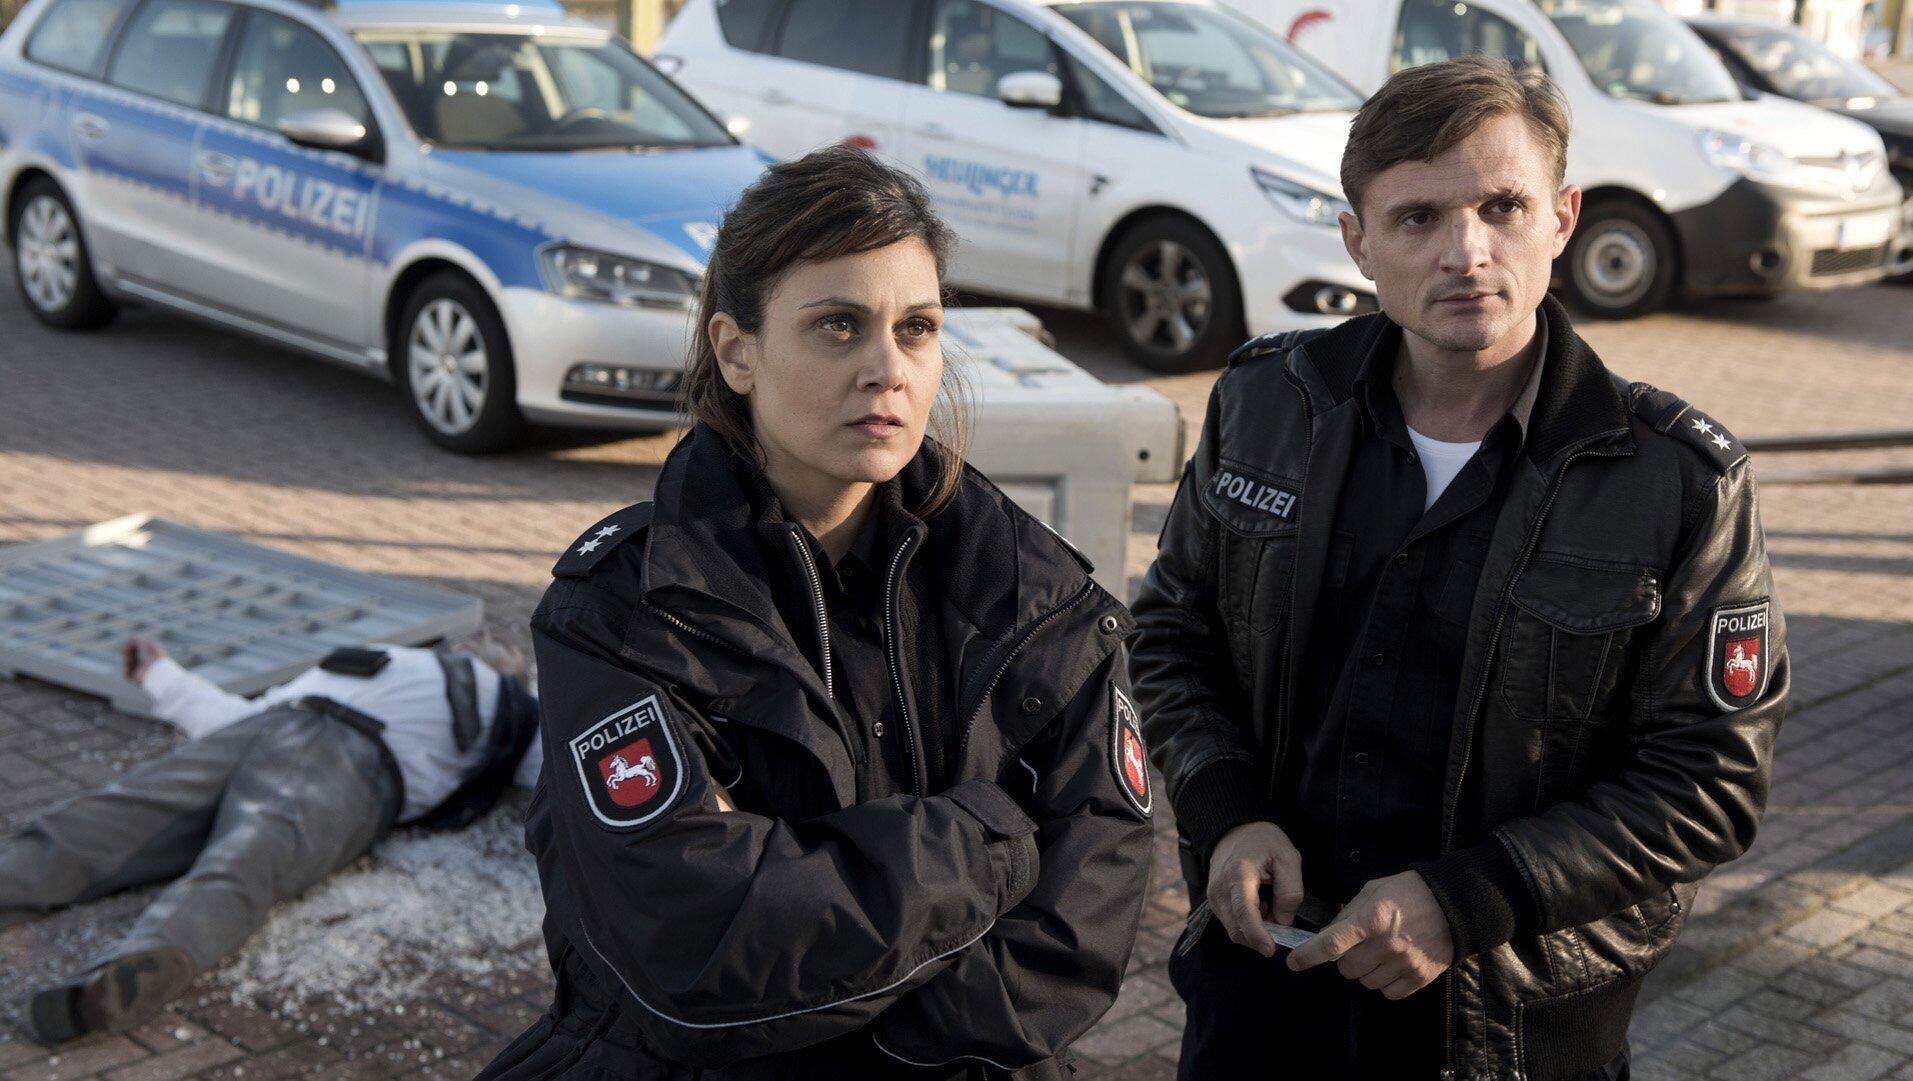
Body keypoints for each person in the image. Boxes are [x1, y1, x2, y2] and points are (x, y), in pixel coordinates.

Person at [1132, 57, 1787, 1080]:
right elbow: (1174, 632)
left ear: (1562, 218)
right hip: (1262, 996)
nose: (1466, 252)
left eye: (1501, 207)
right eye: (1417, 217)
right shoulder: (1263, 406)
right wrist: (1225, 809)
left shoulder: (1677, 481)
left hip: (1504, 1029)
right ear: (1357, 242)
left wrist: (1470, 897)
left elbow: (1709, 777)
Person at [476, 147, 1153, 1081]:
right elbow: (696, 938)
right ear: (736, 350)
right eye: (838, 325)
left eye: (916, 328)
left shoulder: (1036, 596)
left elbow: (1080, 927)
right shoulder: (623, 612)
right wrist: (990, 839)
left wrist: (879, 1036)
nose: (886, 369)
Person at [0, 630, 541, 1044]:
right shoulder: (379, 658)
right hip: (261, 729)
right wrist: (158, 672)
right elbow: (232, 714)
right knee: (112, 816)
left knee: (251, 855)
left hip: (354, 763)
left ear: (516, 673)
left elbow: (564, 759)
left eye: (503, 645)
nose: (483, 637)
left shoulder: (514, 707)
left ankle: (133, 972)